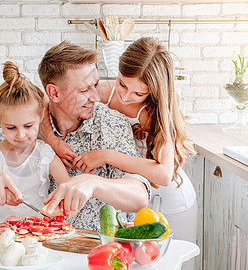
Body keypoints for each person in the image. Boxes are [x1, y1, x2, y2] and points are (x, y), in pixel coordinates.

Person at [0, 41, 150, 230]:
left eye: (96, 85)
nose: (96, 97)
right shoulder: (25, 124)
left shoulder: (111, 125)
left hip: (94, 247)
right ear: (54, 93)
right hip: (37, 246)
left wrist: (92, 183)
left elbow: (139, 196)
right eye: (84, 90)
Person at [43, 37, 197, 245]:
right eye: (122, 84)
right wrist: (51, 138)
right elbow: (45, 98)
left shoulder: (156, 114)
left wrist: (107, 155)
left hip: (169, 193)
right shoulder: (104, 91)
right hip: (135, 189)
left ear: (153, 91)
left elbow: (163, 175)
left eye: (138, 93)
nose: (125, 96)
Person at [0, 61, 70, 221]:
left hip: (37, 233)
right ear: (0, 123)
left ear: (41, 116)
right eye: (11, 128)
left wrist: (60, 204)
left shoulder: (45, 154)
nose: (21, 135)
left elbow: (69, 189)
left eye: (28, 126)